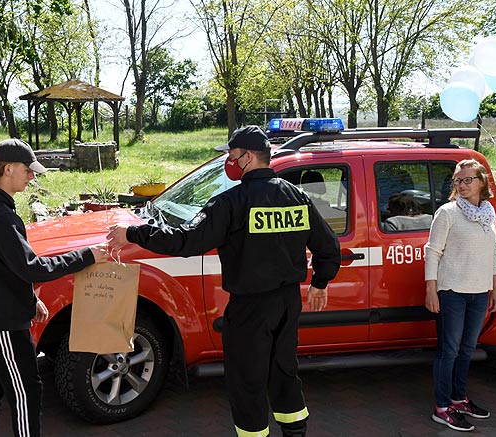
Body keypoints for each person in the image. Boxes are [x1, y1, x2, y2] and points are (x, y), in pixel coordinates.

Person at [107, 125, 341, 437]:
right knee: (284, 371)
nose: (229, 163)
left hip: (250, 308)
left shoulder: (232, 203)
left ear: (247, 157)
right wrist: (320, 281)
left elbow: (187, 241)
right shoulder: (296, 197)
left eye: (231, 156)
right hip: (287, 303)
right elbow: (329, 246)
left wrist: (133, 233)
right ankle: (295, 432)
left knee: (247, 379)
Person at [0, 138, 109, 437]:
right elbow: (32, 267)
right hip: (0, 323)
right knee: (27, 391)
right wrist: (86, 256)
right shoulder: (1, 217)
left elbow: (1, 270)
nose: (32, 177)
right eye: (28, 171)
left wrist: (29, 301)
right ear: (8, 168)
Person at [424, 158, 496, 432]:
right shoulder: (447, 212)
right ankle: (442, 408)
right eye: (458, 180)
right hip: (452, 292)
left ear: (482, 182)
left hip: (479, 292)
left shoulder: (489, 213)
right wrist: (431, 290)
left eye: (468, 179)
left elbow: (492, 251)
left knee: (467, 350)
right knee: (450, 351)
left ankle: (459, 399)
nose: (462, 184)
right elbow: (432, 252)